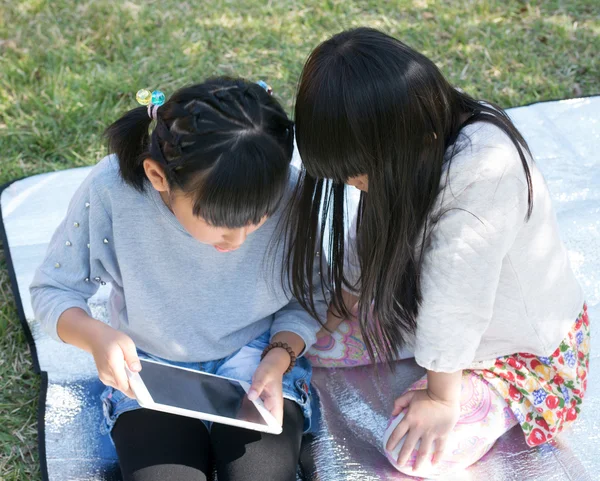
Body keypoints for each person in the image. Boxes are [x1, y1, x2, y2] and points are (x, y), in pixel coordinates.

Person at [286, 28, 588, 478]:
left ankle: (489, 393)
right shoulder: (411, 137)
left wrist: (441, 397)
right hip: (420, 312)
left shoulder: (484, 173)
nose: (354, 187)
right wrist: (337, 305)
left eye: (359, 175)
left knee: (415, 451)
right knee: (305, 341)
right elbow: (368, 236)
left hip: (517, 353)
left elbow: (457, 300)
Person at [30, 77, 326, 481]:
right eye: (221, 223)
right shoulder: (113, 190)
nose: (239, 239)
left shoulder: (289, 190)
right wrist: (95, 335)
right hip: (149, 371)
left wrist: (279, 357)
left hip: (256, 359)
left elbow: (313, 295)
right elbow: (54, 289)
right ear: (157, 176)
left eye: (259, 217)